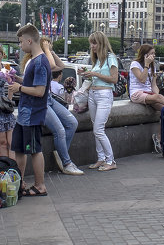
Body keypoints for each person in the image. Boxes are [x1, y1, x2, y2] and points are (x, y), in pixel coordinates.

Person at [9, 25, 52, 196]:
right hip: (24, 113)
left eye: (20, 42)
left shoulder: (40, 62)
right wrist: (17, 79)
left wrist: (19, 87)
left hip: (33, 114)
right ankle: (20, 183)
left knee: (35, 150)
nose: (20, 46)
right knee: (19, 149)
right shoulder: (33, 60)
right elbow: (31, 84)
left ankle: (40, 185)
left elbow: (40, 91)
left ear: (29, 40)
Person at [41, 38, 84, 176]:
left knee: (72, 123)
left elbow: (60, 66)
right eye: (47, 46)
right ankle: (66, 163)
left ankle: (61, 153)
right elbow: (53, 67)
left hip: (49, 98)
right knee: (59, 130)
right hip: (40, 102)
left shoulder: (46, 57)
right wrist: (46, 50)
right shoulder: (37, 60)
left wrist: (51, 51)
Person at [79, 31, 119, 171]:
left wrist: (94, 73)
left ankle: (110, 160)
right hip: (93, 94)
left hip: (104, 94)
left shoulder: (111, 58)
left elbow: (114, 79)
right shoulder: (97, 60)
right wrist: (86, 74)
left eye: (94, 43)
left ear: (101, 43)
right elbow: (95, 78)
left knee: (98, 129)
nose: (92, 46)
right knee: (96, 128)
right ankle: (101, 158)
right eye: (91, 43)